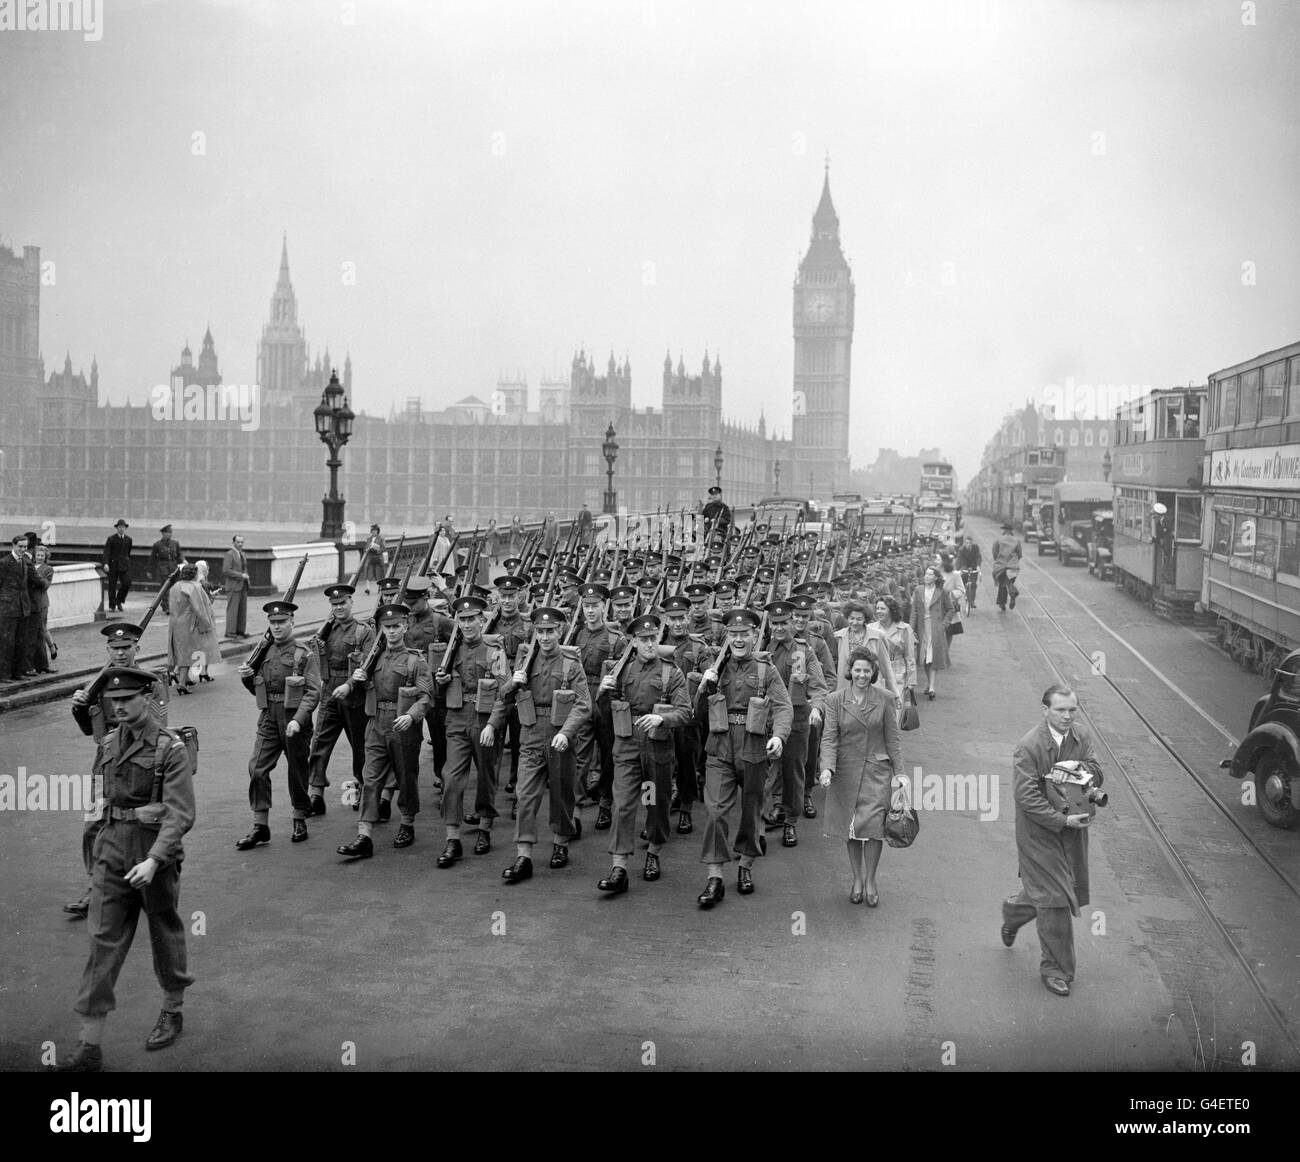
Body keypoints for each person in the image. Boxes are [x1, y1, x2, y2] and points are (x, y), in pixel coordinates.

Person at [53, 666, 195, 1073]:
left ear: (145, 699)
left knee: (164, 930)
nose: (118, 707)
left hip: (154, 853)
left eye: (126, 700)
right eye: (113, 701)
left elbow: (181, 813)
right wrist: (96, 853)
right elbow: (98, 801)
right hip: (113, 850)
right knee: (102, 942)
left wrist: (155, 859)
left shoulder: (170, 748)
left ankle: (173, 1008)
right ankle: (89, 1045)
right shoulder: (110, 742)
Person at [1001, 685, 1102, 997]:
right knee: (1056, 898)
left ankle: (1015, 912)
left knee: (1049, 891)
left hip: (1073, 831)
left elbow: (1097, 773)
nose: (1068, 716)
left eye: (1072, 709)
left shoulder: (1082, 737)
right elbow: (1026, 797)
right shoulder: (1029, 746)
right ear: (1045, 710)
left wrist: (1079, 768)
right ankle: (1055, 969)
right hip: (1038, 834)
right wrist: (1061, 820)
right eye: (1060, 710)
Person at [65, 624, 170, 919]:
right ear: (107, 650)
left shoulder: (150, 682)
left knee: (142, 822)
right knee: (93, 825)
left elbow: (159, 725)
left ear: (137, 648)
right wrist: (79, 709)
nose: (121, 653)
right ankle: (94, 885)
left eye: (126, 648)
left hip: (140, 762)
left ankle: (151, 874)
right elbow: (90, 730)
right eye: (115, 648)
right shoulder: (97, 683)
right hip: (106, 763)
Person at [695, 608, 793, 907]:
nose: (738, 640)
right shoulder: (717, 668)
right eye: (733, 635)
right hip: (721, 746)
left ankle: (745, 866)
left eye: (744, 634)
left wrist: (778, 736)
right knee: (714, 811)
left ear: (754, 636)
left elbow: (783, 707)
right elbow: (696, 714)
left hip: (754, 746)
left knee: (752, 811)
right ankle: (715, 878)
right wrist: (703, 686)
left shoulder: (766, 670)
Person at [487, 606, 591, 883]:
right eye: (540, 632)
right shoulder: (525, 660)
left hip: (560, 736)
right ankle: (524, 855)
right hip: (531, 735)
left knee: (561, 794)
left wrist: (567, 733)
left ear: (560, 631)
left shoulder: (571, 663)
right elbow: (503, 697)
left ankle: (561, 842)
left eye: (550, 631)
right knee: (525, 795)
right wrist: (512, 683)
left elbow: (583, 705)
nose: (545, 637)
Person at [595, 613, 691, 891]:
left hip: (656, 747)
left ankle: (653, 852)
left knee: (654, 802)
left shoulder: (671, 672)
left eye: (653, 638)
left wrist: (663, 719)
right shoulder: (620, 671)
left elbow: (685, 712)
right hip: (627, 744)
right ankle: (619, 867)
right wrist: (602, 692)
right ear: (633, 641)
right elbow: (602, 715)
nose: (650, 643)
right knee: (623, 803)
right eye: (644, 639)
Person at [336, 601, 433, 859]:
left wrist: (412, 717)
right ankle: (364, 834)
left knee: (405, 776)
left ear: (405, 626)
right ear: (380, 629)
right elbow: (361, 683)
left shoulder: (415, 660)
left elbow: (426, 697)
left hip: (403, 725)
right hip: (376, 722)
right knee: (370, 778)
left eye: (396, 626)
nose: (391, 632)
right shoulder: (373, 657)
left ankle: (407, 822)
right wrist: (353, 683)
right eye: (386, 627)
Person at [817, 648, 904, 906]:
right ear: (850, 671)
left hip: (876, 773)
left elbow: (894, 740)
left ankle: (871, 880)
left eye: (867, 670)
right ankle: (856, 878)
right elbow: (830, 737)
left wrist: (900, 774)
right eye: (858, 670)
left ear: (873, 672)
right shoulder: (835, 700)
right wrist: (826, 768)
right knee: (852, 829)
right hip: (845, 773)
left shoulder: (886, 699)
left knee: (875, 828)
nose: (862, 675)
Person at [235, 600, 322, 849]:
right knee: (257, 768)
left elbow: (313, 692)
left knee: (297, 770)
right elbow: (259, 688)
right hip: (269, 718)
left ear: (292, 622)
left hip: (295, 718)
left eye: (282, 622)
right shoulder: (264, 651)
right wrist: (246, 679)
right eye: (272, 623)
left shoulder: (303, 653)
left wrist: (298, 719)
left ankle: (299, 817)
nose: (277, 627)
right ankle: (260, 826)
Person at [432, 594, 508, 868]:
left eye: (471, 619)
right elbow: (437, 689)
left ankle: (485, 826)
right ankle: (452, 839)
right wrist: (440, 680)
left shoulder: (494, 651)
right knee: (450, 777)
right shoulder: (451, 650)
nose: (466, 625)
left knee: (487, 775)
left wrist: (492, 724)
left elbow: (505, 692)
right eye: (461, 620)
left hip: (485, 719)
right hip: (456, 719)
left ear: (482, 619)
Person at [761, 599, 828, 844]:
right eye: (775, 623)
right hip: (766, 721)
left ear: (793, 623)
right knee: (765, 773)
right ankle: (767, 814)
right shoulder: (761, 648)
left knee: (793, 773)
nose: (780, 627)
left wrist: (817, 709)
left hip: (798, 721)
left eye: (784, 622)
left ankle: (790, 821)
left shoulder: (804, 651)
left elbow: (819, 687)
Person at [306, 583, 376, 816]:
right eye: (334, 605)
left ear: (351, 603)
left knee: (360, 746)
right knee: (319, 743)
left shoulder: (363, 632)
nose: (338, 608)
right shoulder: (327, 629)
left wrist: (349, 686)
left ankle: (363, 791)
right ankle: (316, 794)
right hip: (329, 692)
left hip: (354, 696)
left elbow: (366, 665)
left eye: (342, 603)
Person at [910, 564, 955, 700]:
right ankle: (929, 684)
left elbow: (950, 609)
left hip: (936, 628)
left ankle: (932, 687)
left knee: (933, 657)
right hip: (922, 628)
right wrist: (911, 629)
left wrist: (944, 625)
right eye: (926, 574)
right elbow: (914, 611)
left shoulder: (941, 592)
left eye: (930, 574)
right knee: (924, 658)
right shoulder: (918, 590)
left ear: (935, 578)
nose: (926, 576)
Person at [869, 596, 916, 722]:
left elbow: (910, 657)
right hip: (877, 675)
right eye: (877, 608)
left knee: (894, 715)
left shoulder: (904, 629)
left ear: (891, 610)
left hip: (898, 676)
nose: (879, 611)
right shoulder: (871, 628)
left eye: (883, 608)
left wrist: (910, 683)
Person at [28, 542, 55, 673]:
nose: (39, 557)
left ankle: (50, 649)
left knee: (41, 629)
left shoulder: (48, 569)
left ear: (45, 557)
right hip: (30, 603)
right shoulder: (30, 565)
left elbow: (45, 585)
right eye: (37, 554)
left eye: (42, 555)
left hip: (41, 603)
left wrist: (34, 577)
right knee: (35, 632)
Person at [148, 525, 185, 613]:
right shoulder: (157, 545)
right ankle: (166, 606)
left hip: (173, 567)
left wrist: (184, 560)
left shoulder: (175, 543)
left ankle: (173, 605)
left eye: (170, 532)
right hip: (163, 568)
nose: (169, 534)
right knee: (165, 588)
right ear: (163, 533)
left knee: (175, 587)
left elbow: (179, 554)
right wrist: (149, 570)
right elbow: (152, 558)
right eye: (168, 533)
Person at [222, 535, 251, 639]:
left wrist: (246, 578)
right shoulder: (229, 554)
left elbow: (244, 568)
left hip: (243, 585)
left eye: (242, 542)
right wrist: (240, 575)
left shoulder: (242, 554)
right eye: (238, 542)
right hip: (233, 586)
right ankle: (230, 632)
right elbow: (226, 570)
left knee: (242, 610)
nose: (240, 544)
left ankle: (240, 631)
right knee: (232, 610)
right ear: (233, 542)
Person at [103, 519, 132, 612]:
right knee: (112, 585)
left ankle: (119, 600)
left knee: (127, 583)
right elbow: (107, 552)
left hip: (123, 565)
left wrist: (126, 561)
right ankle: (112, 605)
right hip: (113, 565)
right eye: (119, 527)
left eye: (123, 527)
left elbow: (128, 552)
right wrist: (106, 563)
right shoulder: (111, 539)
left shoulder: (128, 540)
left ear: (125, 528)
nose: (121, 529)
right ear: (117, 528)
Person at [992, 523, 1023, 612]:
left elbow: (995, 553)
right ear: (1011, 531)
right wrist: (1014, 561)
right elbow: (1020, 554)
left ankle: (1002, 603)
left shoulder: (998, 540)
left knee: (1002, 584)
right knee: (1009, 582)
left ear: (1004, 530)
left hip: (1001, 567)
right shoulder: (1017, 540)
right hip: (1013, 567)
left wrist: (998, 559)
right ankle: (1012, 592)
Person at [956, 534, 982, 611]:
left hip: (974, 567)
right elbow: (959, 559)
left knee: (973, 584)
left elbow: (978, 557)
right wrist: (960, 568)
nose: (968, 545)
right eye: (967, 543)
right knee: (963, 580)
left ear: (972, 543)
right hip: (965, 566)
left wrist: (978, 565)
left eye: (970, 543)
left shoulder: (976, 548)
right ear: (965, 543)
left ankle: (972, 601)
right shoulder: (961, 549)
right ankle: (964, 594)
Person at [360, 525, 387, 594]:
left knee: (379, 574)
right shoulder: (369, 539)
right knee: (368, 573)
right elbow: (366, 547)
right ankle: (367, 589)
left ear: (378, 531)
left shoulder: (381, 539)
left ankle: (380, 588)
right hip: (370, 558)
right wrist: (367, 549)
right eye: (372, 531)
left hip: (378, 558)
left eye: (375, 531)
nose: (374, 532)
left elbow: (383, 548)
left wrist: (377, 550)